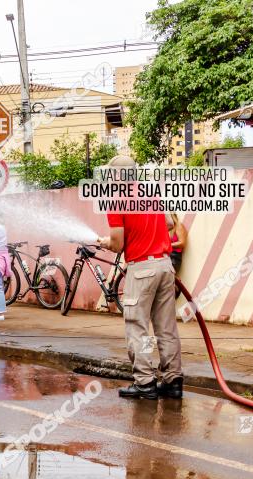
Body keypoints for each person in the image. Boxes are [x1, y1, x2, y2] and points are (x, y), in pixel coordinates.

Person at [97, 155, 183, 400]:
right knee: (166, 327)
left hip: (142, 268)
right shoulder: (150, 195)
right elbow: (168, 223)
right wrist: (149, 233)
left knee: (137, 326)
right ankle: (173, 381)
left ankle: (145, 383)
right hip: (165, 266)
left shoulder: (117, 201)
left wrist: (106, 242)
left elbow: (117, 244)